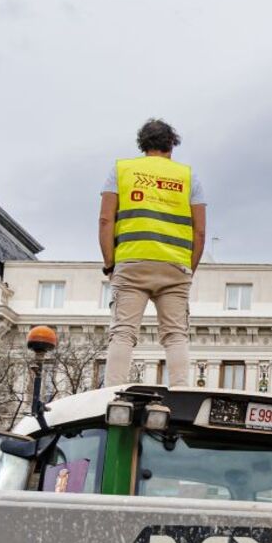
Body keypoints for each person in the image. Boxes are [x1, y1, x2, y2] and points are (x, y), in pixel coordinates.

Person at [99, 119, 205, 386]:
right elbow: (200, 231)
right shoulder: (189, 177)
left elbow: (105, 220)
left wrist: (110, 264)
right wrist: (187, 269)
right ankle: (180, 391)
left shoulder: (121, 170)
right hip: (175, 266)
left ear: (142, 144)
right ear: (172, 145)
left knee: (123, 332)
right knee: (175, 335)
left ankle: (113, 392)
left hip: (131, 261)